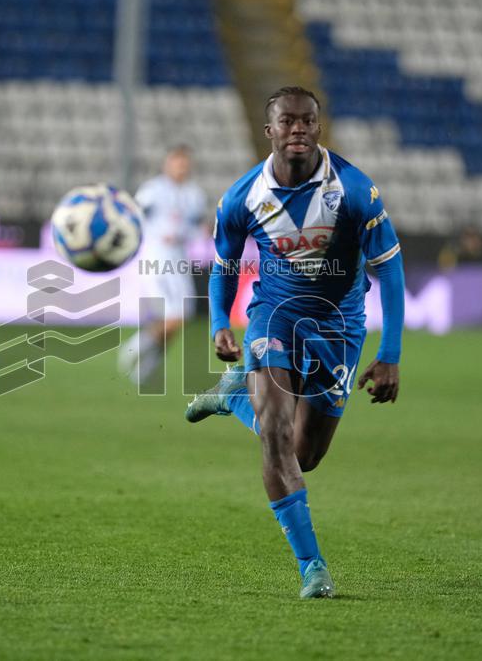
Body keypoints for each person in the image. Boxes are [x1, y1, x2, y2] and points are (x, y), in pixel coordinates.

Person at [184, 87, 405, 599]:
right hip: (273, 321)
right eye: (288, 122)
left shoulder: (354, 190)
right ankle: (313, 568)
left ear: (318, 128)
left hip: (339, 330)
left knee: (305, 455)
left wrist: (389, 354)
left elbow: (389, 269)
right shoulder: (242, 197)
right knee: (276, 434)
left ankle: (233, 398)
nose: (298, 129)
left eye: (308, 121)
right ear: (270, 131)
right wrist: (220, 319)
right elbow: (224, 264)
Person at [119, 145, 208, 385]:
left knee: (181, 318)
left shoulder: (194, 194)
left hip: (179, 260)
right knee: (173, 318)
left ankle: (144, 371)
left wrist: (195, 232)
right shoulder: (153, 190)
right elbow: (134, 216)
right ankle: (132, 349)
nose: (181, 167)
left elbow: (198, 227)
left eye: (184, 163)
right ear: (167, 164)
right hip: (156, 259)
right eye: (177, 162)